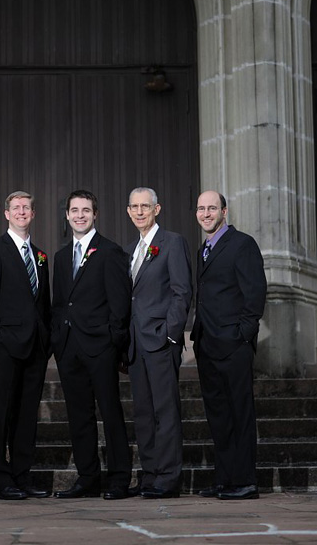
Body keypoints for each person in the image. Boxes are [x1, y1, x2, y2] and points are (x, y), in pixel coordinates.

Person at [52, 190, 132, 500]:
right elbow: (60, 303)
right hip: (70, 349)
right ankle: (87, 478)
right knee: (79, 416)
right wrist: (59, 341)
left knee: (110, 413)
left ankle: (119, 479)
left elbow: (120, 303)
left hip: (100, 348)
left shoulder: (109, 251)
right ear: (67, 215)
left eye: (86, 210)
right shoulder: (60, 257)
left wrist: (113, 340)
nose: (80, 215)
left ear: (95, 214)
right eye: (75, 210)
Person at [191, 190, 267, 500]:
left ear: (225, 211)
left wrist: (242, 335)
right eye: (200, 208)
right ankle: (225, 479)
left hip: (233, 345)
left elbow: (255, 294)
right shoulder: (204, 250)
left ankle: (245, 481)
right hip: (207, 345)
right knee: (218, 416)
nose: (206, 213)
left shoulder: (242, 244)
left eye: (212, 208)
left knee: (240, 413)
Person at [0, 191, 51, 500]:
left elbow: (43, 304)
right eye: (16, 208)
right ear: (6, 214)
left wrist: (46, 342)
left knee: (26, 414)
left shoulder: (40, 255)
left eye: (26, 208)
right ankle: (0, 478)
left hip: (35, 349)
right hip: (5, 346)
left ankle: (22, 476)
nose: (21, 212)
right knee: (0, 412)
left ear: (33, 214)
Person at [125, 187, 192, 499]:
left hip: (161, 342)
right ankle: (150, 474)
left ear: (157, 209)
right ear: (128, 211)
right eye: (135, 207)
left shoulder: (172, 242)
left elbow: (182, 292)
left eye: (145, 207)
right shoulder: (131, 250)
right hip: (137, 346)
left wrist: (171, 334)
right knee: (143, 413)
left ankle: (168, 478)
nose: (140, 212)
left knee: (165, 412)